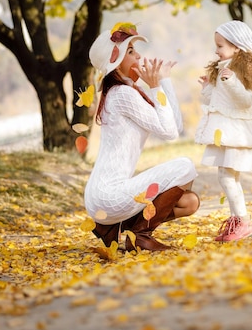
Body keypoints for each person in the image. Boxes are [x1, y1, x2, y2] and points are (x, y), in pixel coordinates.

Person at [84, 22, 200, 252]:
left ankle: (118, 230)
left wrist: (163, 81)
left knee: (190, 202)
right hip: (108, 195)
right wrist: (156, 87)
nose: (138, 55)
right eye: (130, 51)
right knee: (186, 166)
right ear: (115, 62)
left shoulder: (126, 92)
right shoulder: (122, 94)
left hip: (108, 198)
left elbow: (173, 126)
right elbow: (169, 133)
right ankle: (140, 235)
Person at [195, 20, 252, 242]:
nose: (216, 50)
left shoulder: (243, 69)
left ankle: (244, 222)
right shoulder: (225, 68)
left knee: (227, 177)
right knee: (228, 177)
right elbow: (218, 101)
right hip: (226, 130)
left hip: (236, 131)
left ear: (236, 47)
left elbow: (247, 102)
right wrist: (207, 88)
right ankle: (237, 221)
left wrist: (231, 82)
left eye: (220, 46)